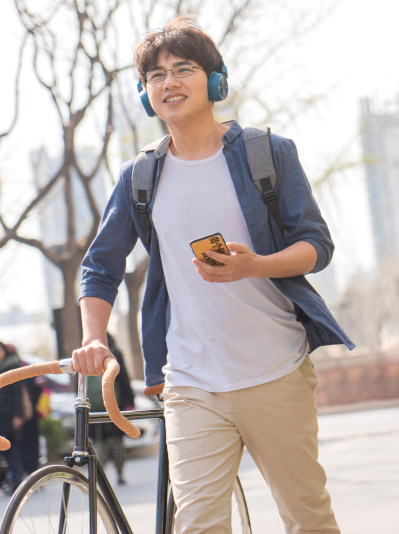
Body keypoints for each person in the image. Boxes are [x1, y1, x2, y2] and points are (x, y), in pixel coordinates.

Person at [73, 15, 353, 533]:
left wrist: (258, 265)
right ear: (145, 94)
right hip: (191, 383)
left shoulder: (266, 153)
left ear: (215, 81)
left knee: (307, 518)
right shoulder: (142, 175)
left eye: (184, 70)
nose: (170, 83)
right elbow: (100, 265)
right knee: (197, 525)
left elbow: (317, 245)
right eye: (156, 77)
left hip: (276, 371)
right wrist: (94, 339)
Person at [87, 333, 135, 485]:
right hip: (115, 404)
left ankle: (100, 477)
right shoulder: (115, 353)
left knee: (99, 442)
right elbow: (124, 378)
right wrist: (129, 401)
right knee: (117, 441)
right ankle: (119, 474)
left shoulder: (86, 354)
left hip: (94, 408)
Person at [0, 341, 28, 491]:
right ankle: (11, 480)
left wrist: (18, 415)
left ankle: (17, 482)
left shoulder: (11, 367)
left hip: (9, 415)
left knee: (11, 450)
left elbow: (18, 394)